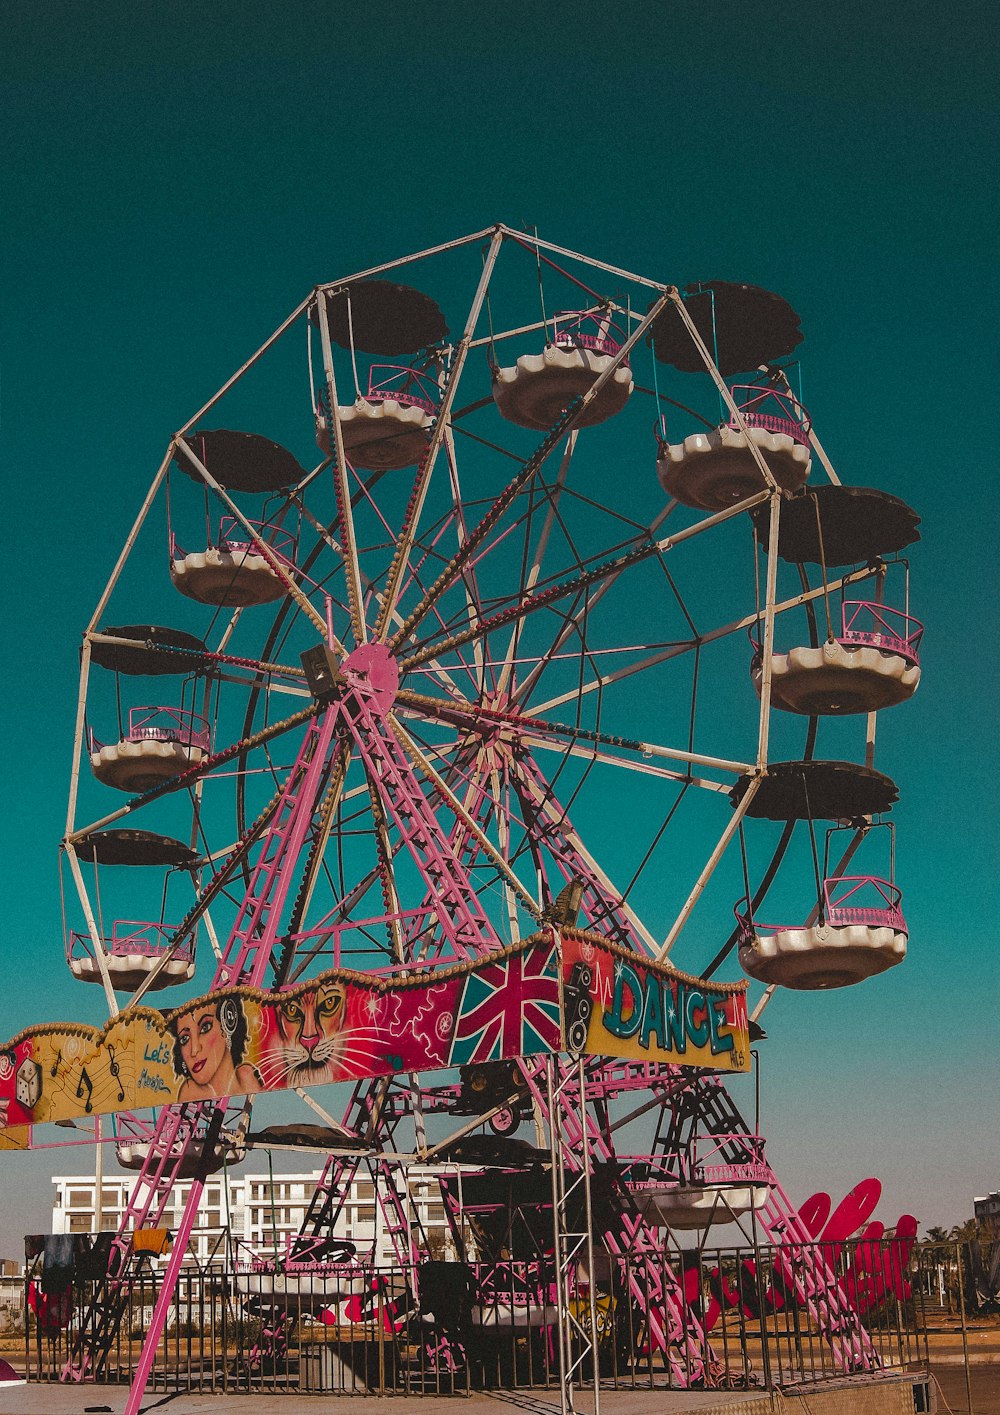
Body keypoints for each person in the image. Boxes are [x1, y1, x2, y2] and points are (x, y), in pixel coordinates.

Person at [169, 996, 261, 1101]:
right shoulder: (190, 1090)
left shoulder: (246, 1076)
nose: (194, 1050)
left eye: (205, 1028)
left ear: (226, 1025)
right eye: (184, 1038)